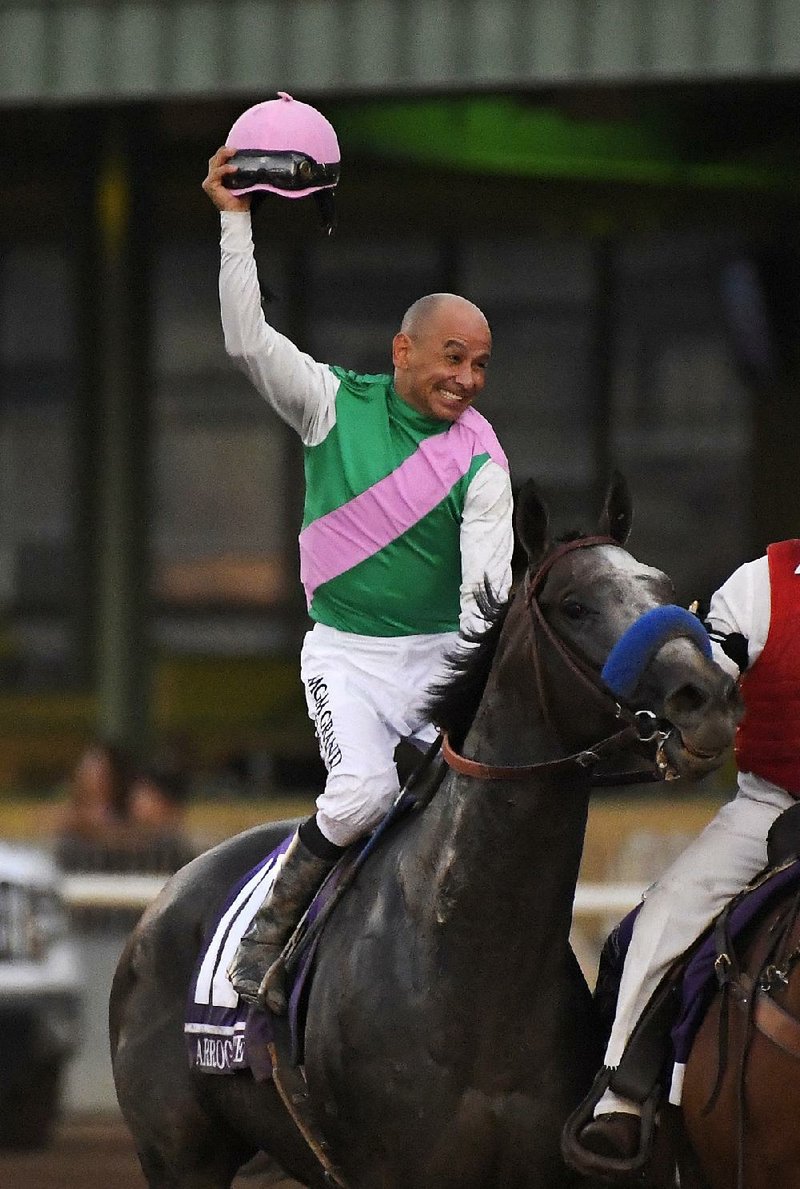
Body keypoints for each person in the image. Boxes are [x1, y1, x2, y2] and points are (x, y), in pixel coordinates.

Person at [202, 133, 514, 1013]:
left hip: (438, 665)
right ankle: (266, 933)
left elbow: (484, 604)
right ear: (403, 351)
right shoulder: (330, 401)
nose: (468, 378)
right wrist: (236, 227)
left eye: (481, 362)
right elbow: (244, 340)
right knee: (365, 791)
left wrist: (467, 694)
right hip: (347, 657)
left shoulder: (484, 461)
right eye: (453, 357)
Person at [580, 539, 799, 1162]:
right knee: (664, 914)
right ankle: (622, 1102)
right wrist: (694, 726)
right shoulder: (761, 586)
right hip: (773, 806)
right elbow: (702, 686)